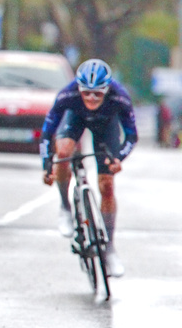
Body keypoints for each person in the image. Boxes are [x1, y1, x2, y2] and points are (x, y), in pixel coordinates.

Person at [40, 58, 135, 278]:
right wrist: (47, 165)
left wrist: (119, 157)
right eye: (86, 93)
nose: (91, 98)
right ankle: (65, 207)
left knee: (107, 185)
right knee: (63, 153)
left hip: (106, 128)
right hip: (75, 120)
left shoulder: (119, 97)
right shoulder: (68, 94)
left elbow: (131, 135)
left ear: (107, 90)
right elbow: (48, 131)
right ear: (79, 88)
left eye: (98, 94)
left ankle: (109, 247)